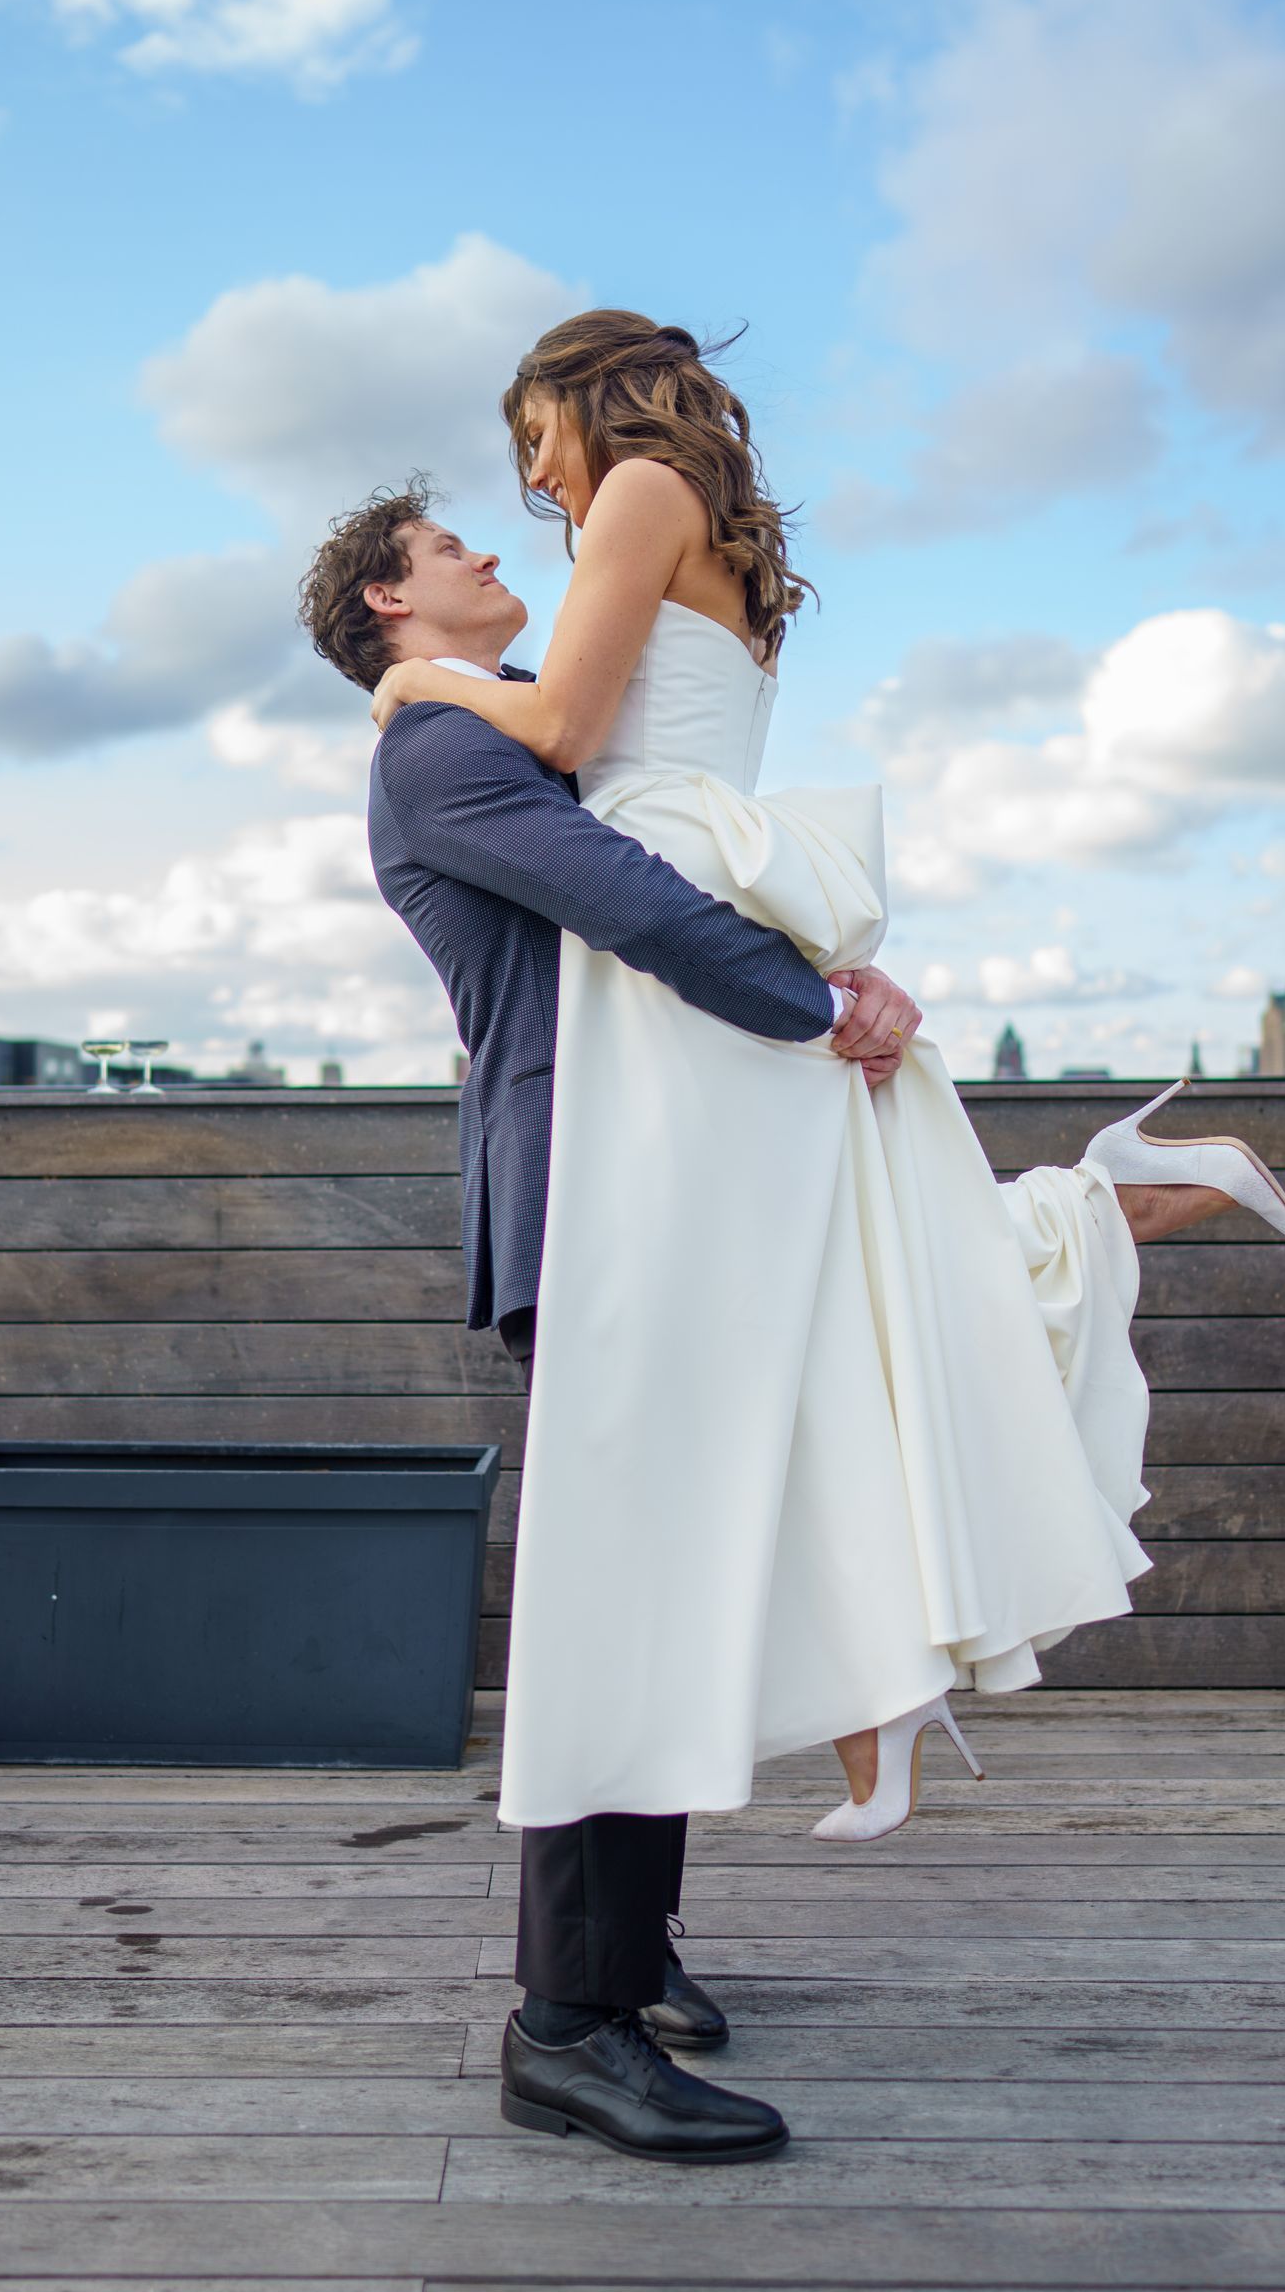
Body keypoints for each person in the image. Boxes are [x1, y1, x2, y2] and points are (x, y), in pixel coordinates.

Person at [366, 313, 1285, 1864]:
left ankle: (1094, 1224)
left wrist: (418, 694)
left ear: (594, 398)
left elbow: (563, 728)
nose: (535, 473)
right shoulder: (702, 524)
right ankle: (889, 1684)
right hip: (716, 881)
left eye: (535, 431)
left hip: (667, 911)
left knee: (778, 1342)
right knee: (827, 1321)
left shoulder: (635, 498)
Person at [299, 479, 921, 2165]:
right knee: (618, 1608)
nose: (496, 554)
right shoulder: (445, 762)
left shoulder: (486, 730)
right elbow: (636, 909)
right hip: (590, 1204)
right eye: (451, 552)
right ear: (384, 606)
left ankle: (623, 1961)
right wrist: (825, 1008)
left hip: (641, 1193)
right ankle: (565, 2026)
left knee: (658, 1588)